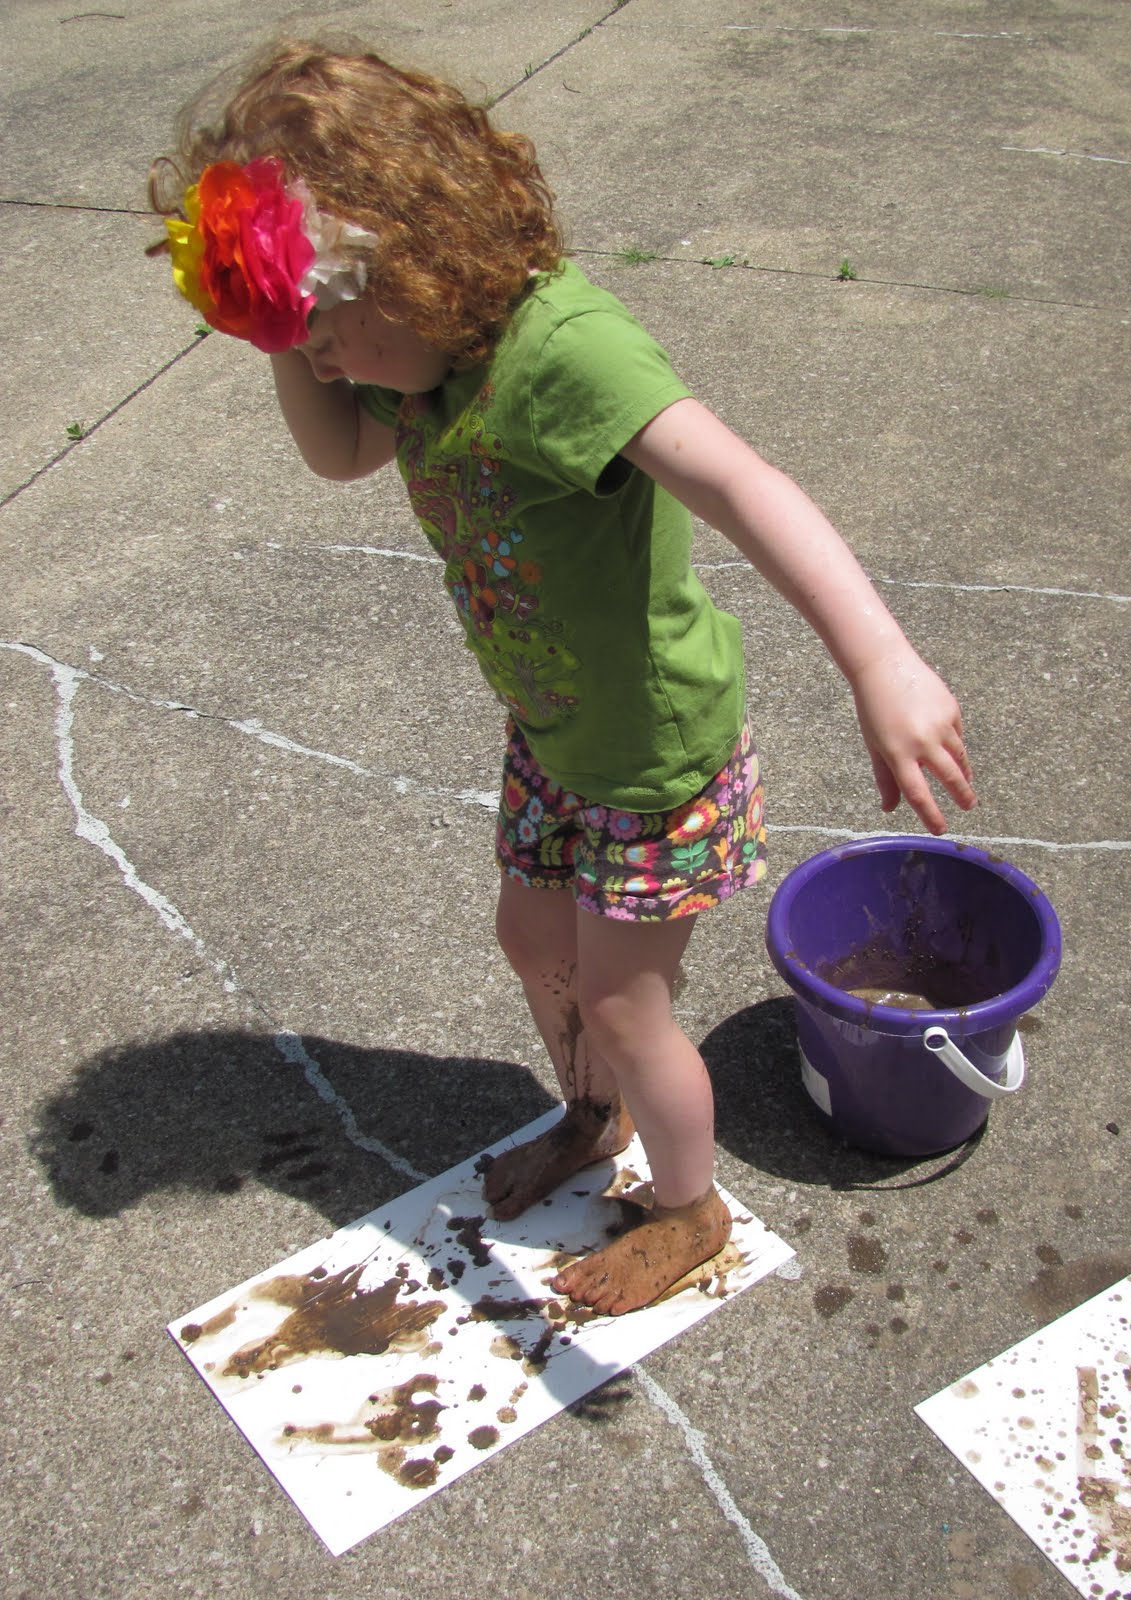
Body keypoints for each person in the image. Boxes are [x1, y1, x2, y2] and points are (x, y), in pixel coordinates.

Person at [150, 38, 976, 1317]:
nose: (324, 373)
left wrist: (882, 659)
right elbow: (338, 456)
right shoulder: (416, 348)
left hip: (652, 759)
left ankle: (690, 1206)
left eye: (331, 336)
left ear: (417, 261)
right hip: (552, 734)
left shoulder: (561, 353)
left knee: (625, 1000)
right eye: (299, 347)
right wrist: (275, 315)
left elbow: (746, 483)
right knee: (527, 938)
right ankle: (592, 1117)